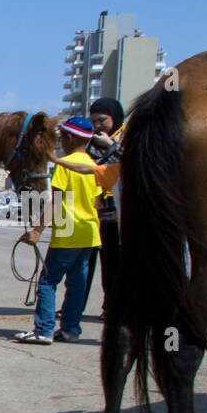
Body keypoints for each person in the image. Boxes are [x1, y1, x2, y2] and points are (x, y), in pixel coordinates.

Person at [13, 117, 102, 344]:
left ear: (70, 138)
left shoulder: (65, 165)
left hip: (68, 234)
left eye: (62, 137)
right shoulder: (93, 166)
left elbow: (55, 202)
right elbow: (97, 203)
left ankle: (43, 330)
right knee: (77, 284)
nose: (61, 141)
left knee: (47, 281)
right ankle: (71, 330)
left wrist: (38, 231)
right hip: (90, 234)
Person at [83, 96, 124, 310]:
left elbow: (132, 165)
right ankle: (75, 305)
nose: (97, 126)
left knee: (112, 264)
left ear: (114, 118)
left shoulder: (126, 138)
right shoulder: (88, 142)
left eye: (102, 120)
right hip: (91, 212)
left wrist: (113, 147)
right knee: (83, 264)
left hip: (115, 216)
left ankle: (112, 305)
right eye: (93, 121)